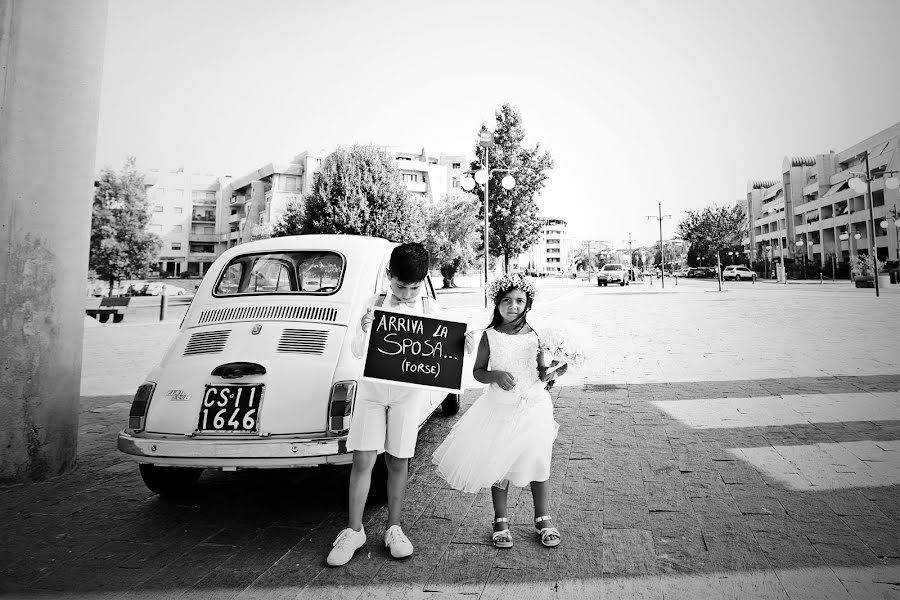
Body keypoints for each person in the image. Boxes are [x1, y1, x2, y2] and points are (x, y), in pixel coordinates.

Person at [431, 273, 564, 549]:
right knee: (499, 463)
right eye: (506, 300)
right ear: (496, 303)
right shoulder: (489, 336)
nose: (512, 306)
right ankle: (500, 520)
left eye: (519, 301)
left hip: (533, 407)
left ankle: (542, 517)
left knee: (538, 461)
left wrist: (554, 372)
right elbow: (478, 372)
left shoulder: (537, 336)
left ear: (528, 304)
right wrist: (495, 375)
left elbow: (541, 373)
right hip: (500, 408)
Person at [326, 242, 438, 567]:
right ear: (389, 276)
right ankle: (354, 529)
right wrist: (364, 329)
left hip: (407, 394)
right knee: (362, 459)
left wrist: (463, 344)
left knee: (398, 461)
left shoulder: (429, 309)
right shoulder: (373, 302)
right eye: (400, 285)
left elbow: (440, 356)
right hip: (372, 391)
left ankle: (394, 527)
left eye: (413, 288)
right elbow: (359, 352)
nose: (405, 294)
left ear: (424, 281)